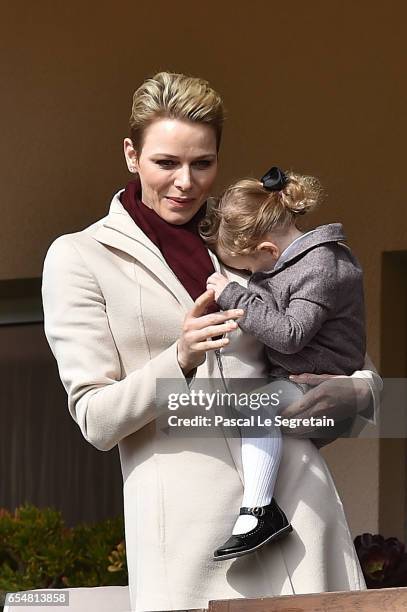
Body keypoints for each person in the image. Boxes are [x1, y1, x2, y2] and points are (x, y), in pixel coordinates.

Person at [41, 72, 381, 612]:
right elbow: (96, 420)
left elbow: (347, 360)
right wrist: (178, 356)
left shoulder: (247, 239)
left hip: (302, 519)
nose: (186, 183)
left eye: (203, 163)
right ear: (131, 154)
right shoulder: (79, 257)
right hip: (191, 543)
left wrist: (362, 395)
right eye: (166, 163)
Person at [200, 167, 366, 562]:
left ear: (269, 252)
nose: (251, 277)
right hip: (295, 375)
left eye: (250, 268)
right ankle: (260, 510)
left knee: (254, 409)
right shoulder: (297, 263)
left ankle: (260, 512)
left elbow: (290, 334)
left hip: (319, 380)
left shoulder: (321, 267)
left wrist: (234, 295)